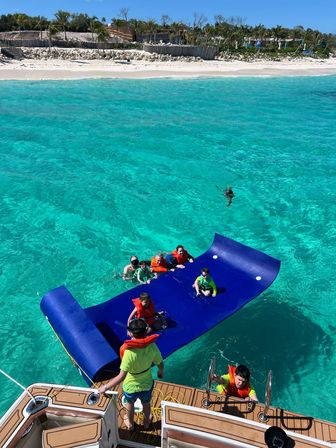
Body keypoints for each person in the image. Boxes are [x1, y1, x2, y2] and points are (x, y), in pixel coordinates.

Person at [98, 319, 164, 431]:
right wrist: (160, 372)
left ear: (130, 333)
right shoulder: (152, 347)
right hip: (147, 384)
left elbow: (121, 376)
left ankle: (130, 423)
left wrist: (104, 387)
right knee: (146, 403)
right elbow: (160, 363)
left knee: (130, 404)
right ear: (146, 331)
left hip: (131, 386)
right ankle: (147, 421)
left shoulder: (128, 353)